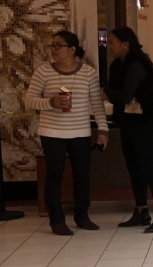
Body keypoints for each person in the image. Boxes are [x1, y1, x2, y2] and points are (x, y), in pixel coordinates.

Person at [24, 30, 109, 235]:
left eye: (58, 45)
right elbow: (29, 100)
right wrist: (51, 102)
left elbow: (96, 104)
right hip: (52, 131)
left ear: (72, 50)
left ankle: (82, 215)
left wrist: (103, 130)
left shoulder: (88, 73)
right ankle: (56, 218)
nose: (54, 49)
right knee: (54, 174)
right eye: (52, 45)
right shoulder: (43, 72)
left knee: (82, 175)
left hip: (80, 131)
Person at [103, 27, 153, 233]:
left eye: (112, 42)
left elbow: (123, 95)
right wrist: (108, 92)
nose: (109, 46)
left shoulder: (137, 64)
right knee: (134, 167)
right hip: (127, 121)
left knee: (149, 167)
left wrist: (105, 91)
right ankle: (141, 211)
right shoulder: (117, 65)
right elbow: (117, 93)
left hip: (144, 122)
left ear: (126, 43)